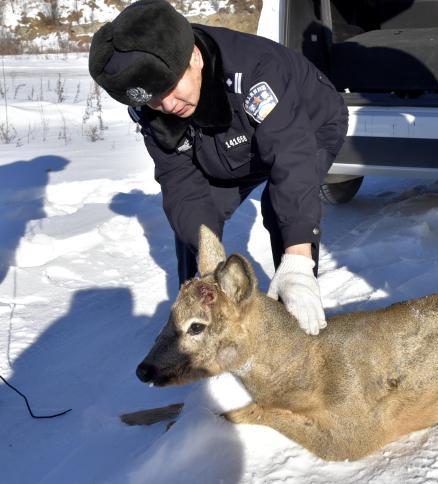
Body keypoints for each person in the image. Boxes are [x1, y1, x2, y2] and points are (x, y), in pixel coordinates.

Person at [88, 0, 348, 335]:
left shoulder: (254, 72)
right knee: (196, 227)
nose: (167, 104)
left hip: (307, 123)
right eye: (153, 99)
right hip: (230, 144)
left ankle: (297, 311)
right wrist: (209, 261)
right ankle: (200, 320)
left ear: (194, 56)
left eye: (169, 88)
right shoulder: (155, 107)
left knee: (281, 209)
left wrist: (297, 259)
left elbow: (291, 157)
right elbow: (180, 181)